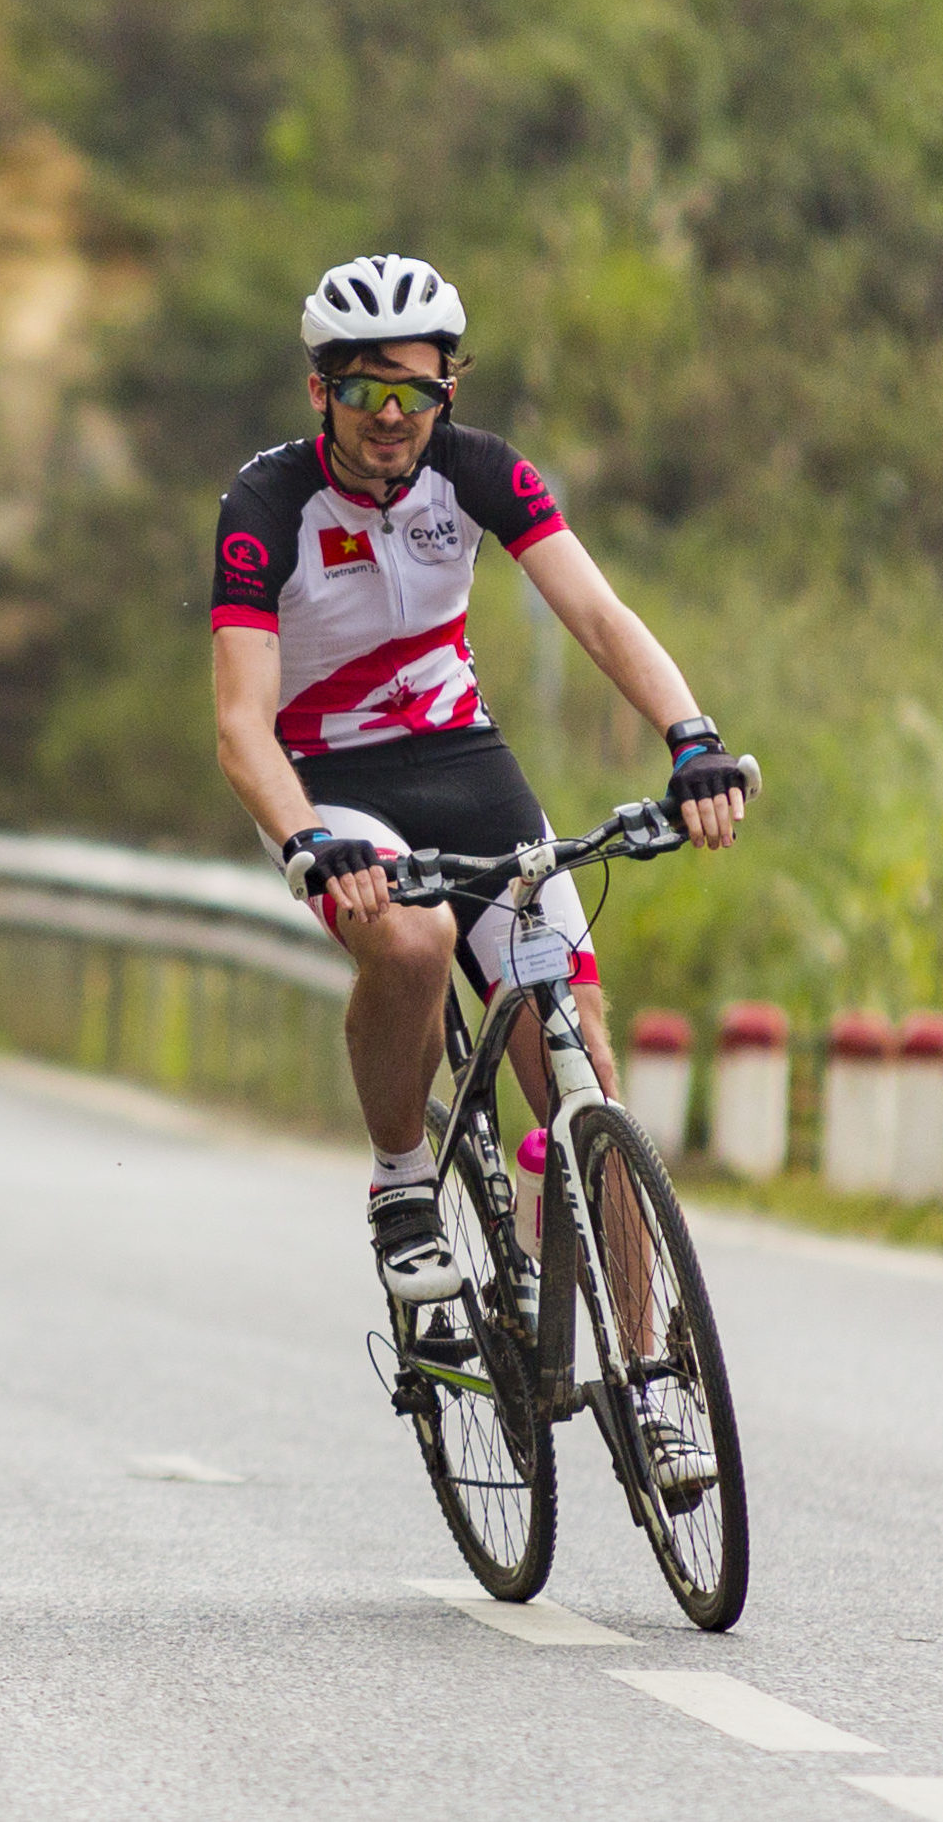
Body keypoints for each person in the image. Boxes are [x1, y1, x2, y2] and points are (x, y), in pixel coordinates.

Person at [207, 253, 754, 1500]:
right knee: (408, 943)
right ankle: (406, 1185)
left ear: (448, 387)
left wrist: (691, 739)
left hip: (466, 764)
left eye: (413, 390)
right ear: (319, 391)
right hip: (330, 779)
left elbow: (599, 615)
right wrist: (306, 841)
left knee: (583, 1066)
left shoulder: (481, 471)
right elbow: (241, 723)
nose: (389, 417)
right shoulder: (267, 502)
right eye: (363, 391)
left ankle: (650, 1374)